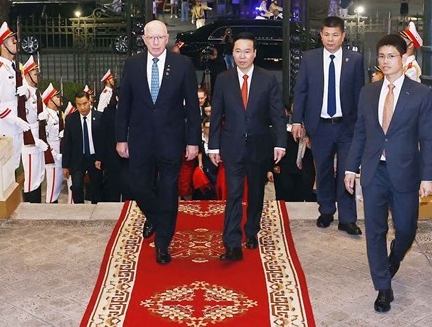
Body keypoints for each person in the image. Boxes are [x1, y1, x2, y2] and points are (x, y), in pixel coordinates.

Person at [344, 34, 432, 313]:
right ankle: (383, 288)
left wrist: (428, 176)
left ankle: (396, 255)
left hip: (406, 172)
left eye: (391, 56)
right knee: (375, 230)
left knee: (407, 229)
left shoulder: (421, 94)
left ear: (404, 59)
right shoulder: (368, 92)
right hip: (374, 171)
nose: (385, 62)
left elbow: (429, 138)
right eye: (381, 56)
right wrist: (351, 167)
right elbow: (360, 132)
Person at [116, 20, 201, 265]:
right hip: (140, 140)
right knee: (138, 186)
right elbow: (125, 105)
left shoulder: (182, 65)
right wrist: (121, 137)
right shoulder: (132, 65)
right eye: (150, 38)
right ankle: (155, 216)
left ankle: (163, 244)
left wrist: (193, 141)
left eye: (160, 37)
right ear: (143, 39)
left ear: (167, 39)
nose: (155, 42)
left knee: (168, 191)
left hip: (172, 140)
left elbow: (193, 108)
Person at [208, 32, 286, 261]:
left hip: (259, 145)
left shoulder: (268, 78)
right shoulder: (223, 79)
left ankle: (251, 230)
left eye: (247, 51)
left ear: (254, 53)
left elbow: (277, 114)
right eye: (238, 51)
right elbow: (216, 116)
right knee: (233, 193)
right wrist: (213, 146)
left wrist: (280, 142)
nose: (242, 56)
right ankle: (232, 243)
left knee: (255, 192)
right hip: (231, 145)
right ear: (232, 53)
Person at [292, 16, 365, 235]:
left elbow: (360, 93)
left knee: (347, 170)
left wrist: (362, 125)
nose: (330, 39)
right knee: (322, 169)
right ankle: (325, 210)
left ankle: (348, 218)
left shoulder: (355, 59)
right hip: (320, 125)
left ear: (343, 36)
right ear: (320, 35)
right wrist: (297, 120)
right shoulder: (309, 58)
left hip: (346, 126)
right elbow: (301, 91)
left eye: (335, 35)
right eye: (326, 34)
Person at [0, 22, 31, 174]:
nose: (16, 43)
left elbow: (27, 93)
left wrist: (25, 91)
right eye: (13, 41)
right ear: (3, 45)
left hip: (18, 126)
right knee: (5, 169)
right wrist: (15, 119)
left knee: (14, 166)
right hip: (6, 127)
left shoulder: (17, 67)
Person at [62, 91, 106, 204]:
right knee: (76, 187)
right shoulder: (71, 119)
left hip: (95, 158)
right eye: (79, 104)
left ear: (90, 102)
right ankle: (79, 210)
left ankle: (95, 211)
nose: (82, 107)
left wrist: (100, 158)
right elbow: (67, 143)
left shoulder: (100, 117)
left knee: (96, 188)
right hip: (78, 159)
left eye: (85, 103)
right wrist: (65, 165)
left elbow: (103, 141)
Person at [20, 56, 49, 203]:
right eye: (35, 72)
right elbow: (23, 118)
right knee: (31, 177)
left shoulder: (36, 91)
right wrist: (36, 141)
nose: (38, 75)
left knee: (39, 176)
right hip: (30, 140)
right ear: (27, 74)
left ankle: (37, 205)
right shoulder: (26, 90)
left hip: (39, 137)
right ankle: (31, 206)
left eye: (38, 72)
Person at [42, 83, 64, 203]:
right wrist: (54, 155)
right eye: (56, 97)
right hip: (53, 156)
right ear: (49, 100)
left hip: (58, 155)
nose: (59, 99)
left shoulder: (56, 115)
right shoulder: (47, 116)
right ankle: (49, 209)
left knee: (57, 185)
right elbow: (44, 138)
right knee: (53, 187)